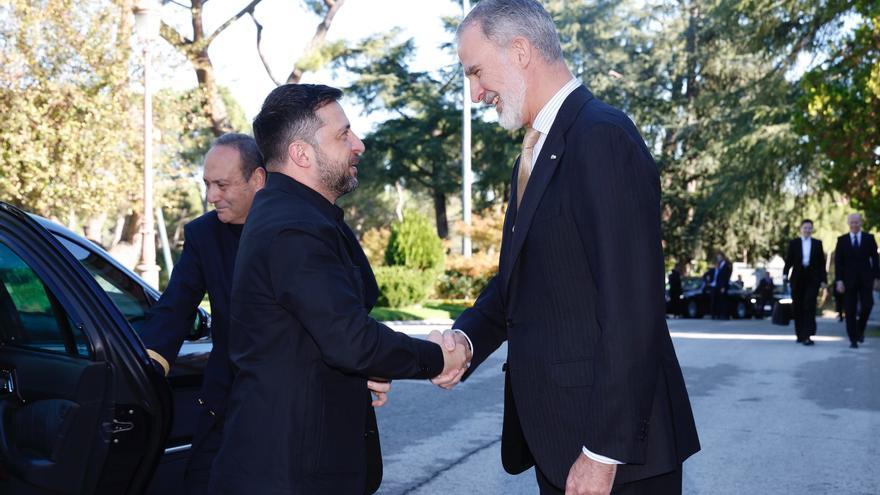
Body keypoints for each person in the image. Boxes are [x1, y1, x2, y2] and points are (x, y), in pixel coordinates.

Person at [436, 2, 700, 493]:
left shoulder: (600, 136)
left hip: (613, 458)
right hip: (560, 441)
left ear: (519, 51)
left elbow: (633, 308)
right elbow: (522, 282)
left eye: (475, 71)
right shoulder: (540, 146)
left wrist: (604, 452)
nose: (474, 93)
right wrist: (465, 340)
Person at [208, 84, 469, 494]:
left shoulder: (303, 215)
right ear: (301, 153)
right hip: (288, 474)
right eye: (343, 134)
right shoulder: (292, 227)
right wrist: (437, 357)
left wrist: (365, 371)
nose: (358, 144)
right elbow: (350, 340)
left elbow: (307, 336)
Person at [139, 134, 395, 494]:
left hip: (309, 412)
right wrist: (144, 367)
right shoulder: (204, 236)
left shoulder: (314, 223)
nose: (211, 196)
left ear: (258, 179)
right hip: (229, 409)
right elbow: (175, 309)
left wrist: (367, 360)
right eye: (207, 185)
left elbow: (360, 297)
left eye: (222, 184)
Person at [834, 213, 880, 348]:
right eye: (852, 222)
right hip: (848, 281)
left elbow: (875, 260)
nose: (854, 225)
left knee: (868, 305)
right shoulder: (842, 240)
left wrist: (877, 278)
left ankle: (860, 330)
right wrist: (839, 280)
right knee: (850, 310)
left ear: (861, 223)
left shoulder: (869, 238)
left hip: (866, 279)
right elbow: (838, 262)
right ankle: (853, 339)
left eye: (857, 222)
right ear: (848, 224)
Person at [783, 219, 827, 346]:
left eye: (809, 228)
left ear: (812, 230)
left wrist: (823, 280)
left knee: (809, 305)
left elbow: (821, 264)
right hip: (798, 278)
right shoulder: (794, 243)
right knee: (798, 306)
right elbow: (789, 260)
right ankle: (800, 334)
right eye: (805, 228)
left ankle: (808, 335)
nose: (807, 230)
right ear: (801, 229)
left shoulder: (817, 244)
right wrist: (785, 274)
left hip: (812, 278)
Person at [709, 253, 732, 319]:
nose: (718, 259)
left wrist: (723, 287)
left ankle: (725, 315)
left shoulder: (726, 266)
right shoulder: (719, 266)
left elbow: (726, 277)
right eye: (718, 257)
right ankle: (720, 314)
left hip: (723, 286)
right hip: (718, 286)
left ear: (722, 258)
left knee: (724, 301)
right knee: (719, 301)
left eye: (719, 257)